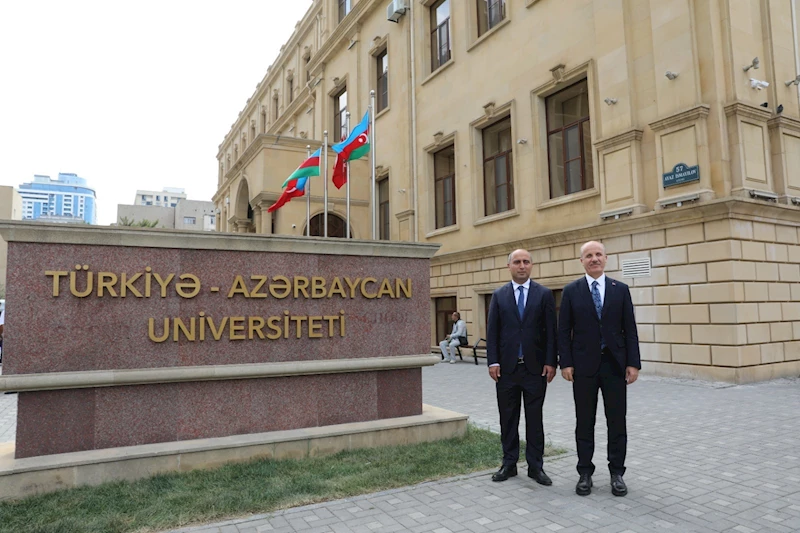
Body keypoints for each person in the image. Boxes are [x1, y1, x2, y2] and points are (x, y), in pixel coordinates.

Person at [558, 241, 641, 497]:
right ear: (581, 261)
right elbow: (564, 330)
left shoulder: (621, 290)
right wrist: (566, 363)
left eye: (598, 255)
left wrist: (633, 363)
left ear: (606, 258)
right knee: (585, 421)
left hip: (615, 366)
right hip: (583, 367)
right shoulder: (571, 291)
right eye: (588, 256)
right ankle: (585, 472)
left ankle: (617, 473)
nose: (594, 259)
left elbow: (630, 329)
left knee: (617, 421)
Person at [486, 249, 557, 484]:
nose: (522, 265)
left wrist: (551, 362)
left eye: (526, 262)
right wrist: (493, 361)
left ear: (532, 265)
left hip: (535, 369)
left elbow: (551, 332)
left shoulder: (544, 295)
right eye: (517, 262)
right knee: (508, 419)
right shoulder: (499, 295)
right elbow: (493, 331)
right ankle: (509, 464)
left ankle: (536, 467)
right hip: (506, 370)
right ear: (509, 266)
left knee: (535, 420)